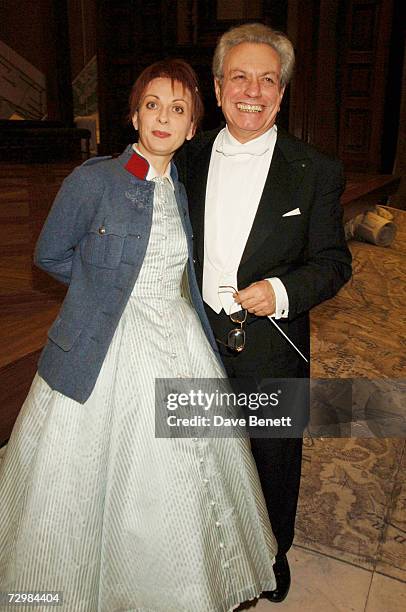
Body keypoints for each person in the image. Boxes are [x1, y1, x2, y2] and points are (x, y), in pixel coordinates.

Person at [0, 59, 278, 611]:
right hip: (103, 345)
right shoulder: (95, 179)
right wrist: (100, 293)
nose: (162, 118)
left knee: (183, 479)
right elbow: (50, 253)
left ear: (192, 127)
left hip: (177, 336)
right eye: (152, 104)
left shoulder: (180, 189)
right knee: (78, 481)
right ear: (134, 114)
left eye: (178, 110)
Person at [176, 24, 352, 603]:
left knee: (274, 456)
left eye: (268, 79)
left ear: (282, 92)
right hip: (194, 335)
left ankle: (274, 554)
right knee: (199, 449)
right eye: (241, 77)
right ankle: (208, 549)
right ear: (219, 85)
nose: (253, 90)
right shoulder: (188, 155)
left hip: (273, 340)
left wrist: (280, 289)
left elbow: (333, 261)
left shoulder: (316, 169)